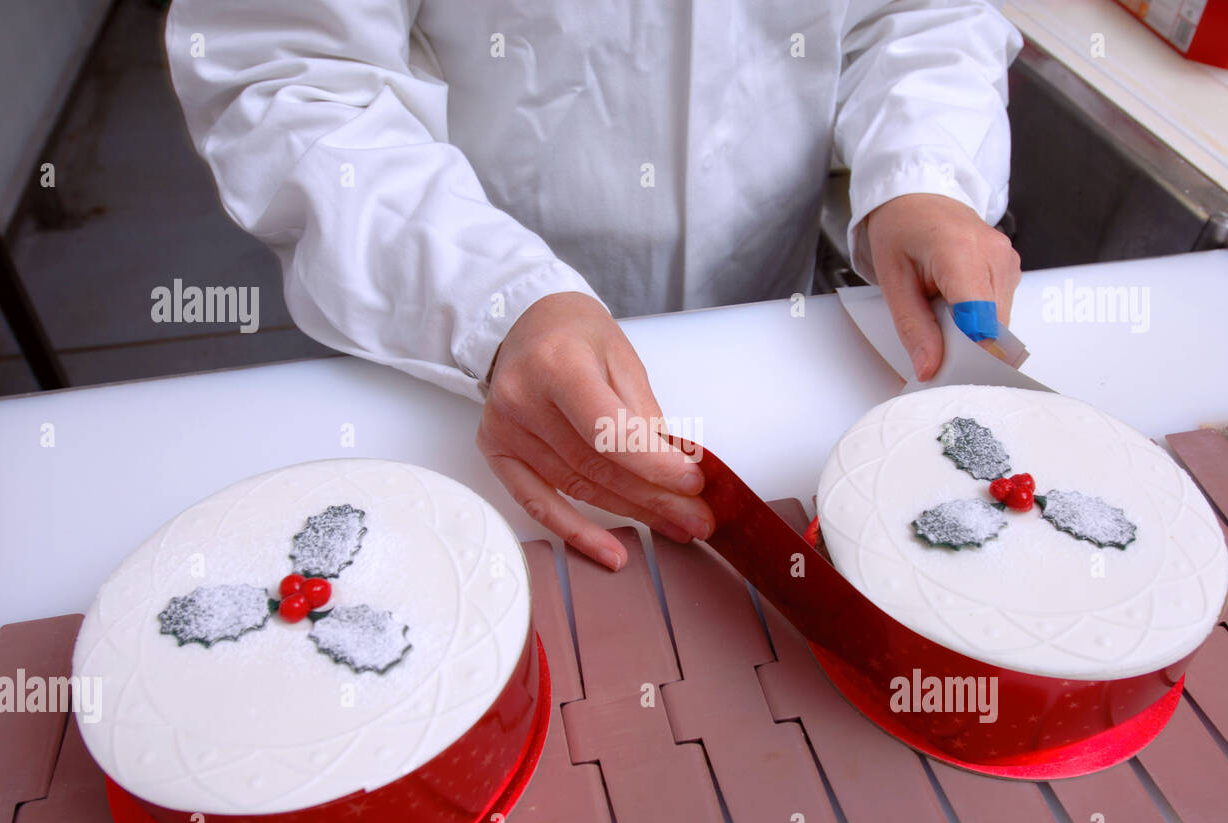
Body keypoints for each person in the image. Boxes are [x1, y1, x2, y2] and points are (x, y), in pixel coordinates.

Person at [165, 0, 1023, 571]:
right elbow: (289, 74)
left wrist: (923, 174)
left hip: (777, 343)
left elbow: (918, 14)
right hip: (459, 372)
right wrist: (494, 300)